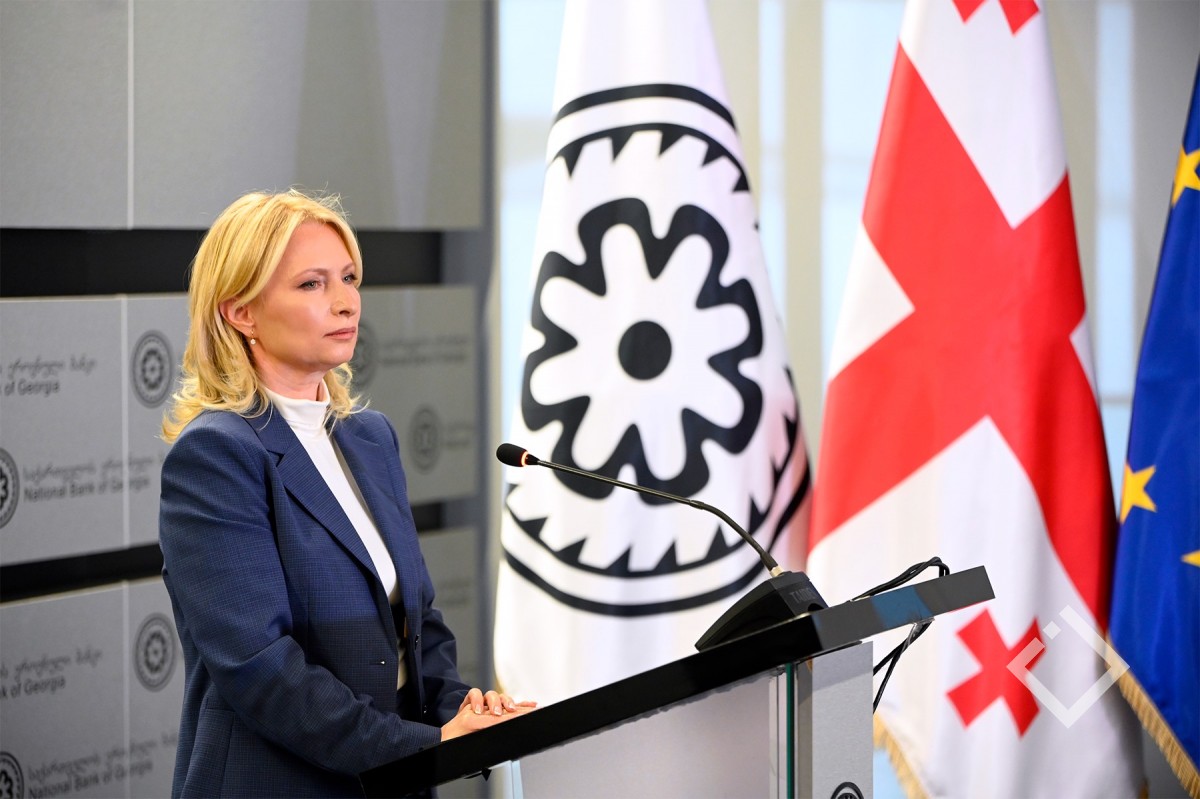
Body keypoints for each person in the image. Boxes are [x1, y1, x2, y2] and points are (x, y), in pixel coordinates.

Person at [159, 190, 533, 798]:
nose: (345, 301)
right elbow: (263, 671)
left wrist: (464, 712)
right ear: (241, 312)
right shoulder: (217, 455)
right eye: (312, 284)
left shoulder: (369, 438)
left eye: (349, 278)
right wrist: (425, 749)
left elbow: (417, 621)